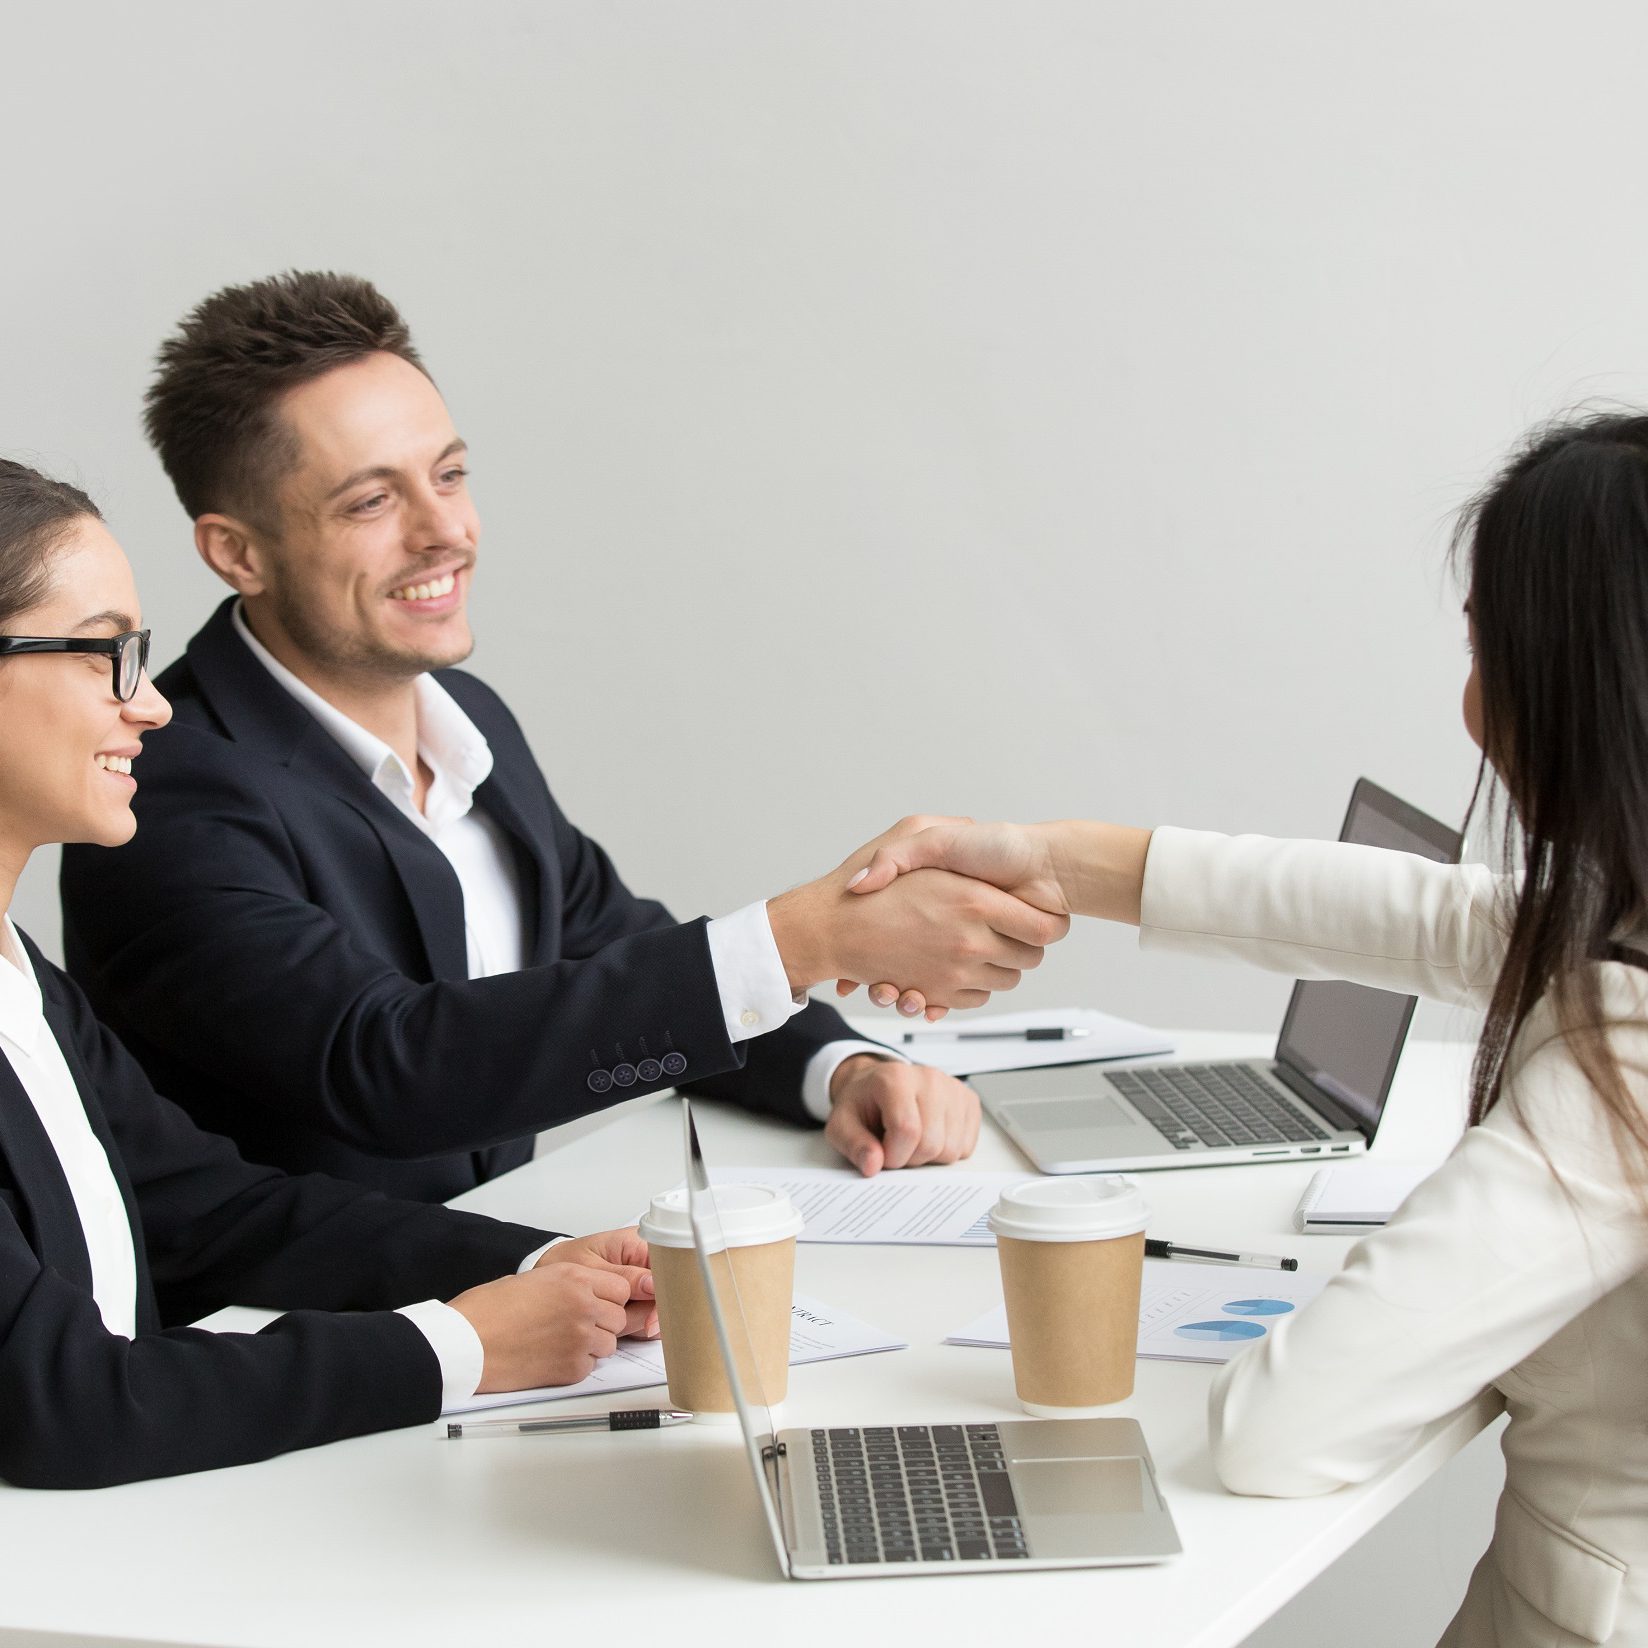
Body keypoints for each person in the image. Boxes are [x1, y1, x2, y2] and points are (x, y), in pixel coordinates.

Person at [844, 414, 1648, 1646]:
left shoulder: (1625, 1063)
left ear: (1574, 684)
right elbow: (1432, 914)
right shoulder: (1620, 904)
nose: (1472, 701)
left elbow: (1284, 1429)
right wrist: (1049, 859)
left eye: (1486, 646)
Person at [59, 271, 1067, 1202]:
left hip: (505, 1317)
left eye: (448, 475)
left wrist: (836, 1067)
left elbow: (615, 949)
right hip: (298, 1355)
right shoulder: (167, 788)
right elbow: (389, 1067)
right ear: (237, 551)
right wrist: (808, 935)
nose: (443, 529)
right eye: (372, 500)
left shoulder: (469, 723)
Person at [0, 458, 676, 1489]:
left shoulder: (18, 973)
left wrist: (540, 1268)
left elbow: (212, 1214)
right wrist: (463, 1345)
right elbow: (70, 1401)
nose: (151, 706)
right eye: (103, 655)